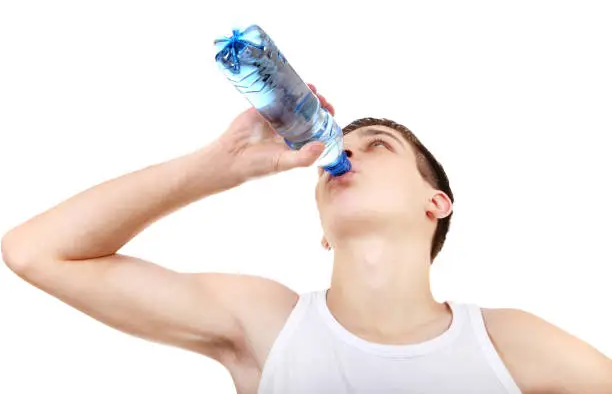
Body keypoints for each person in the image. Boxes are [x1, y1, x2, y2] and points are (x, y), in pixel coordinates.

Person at [2, 84, 611, 394]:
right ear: (322, 231)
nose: (345, 152)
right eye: (341, 147)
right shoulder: (266, 324)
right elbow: (36, 251)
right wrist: (219, 165)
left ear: (436, 203)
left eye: (377, 145)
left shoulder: (508, 342)